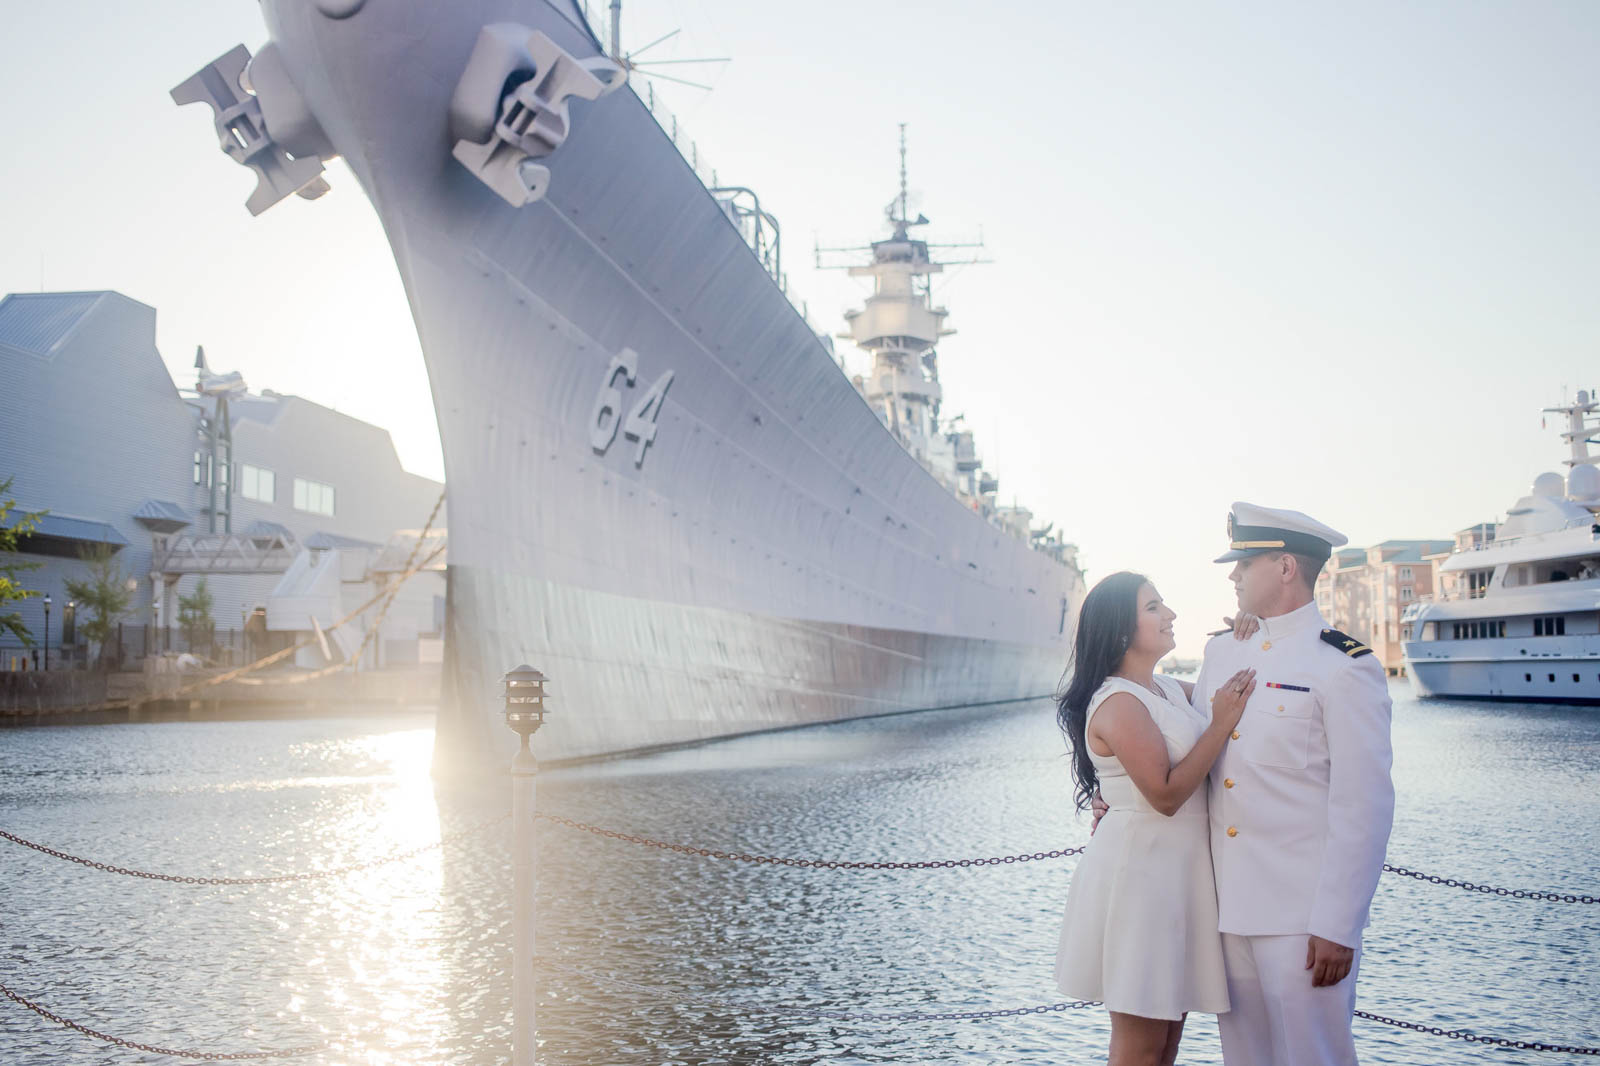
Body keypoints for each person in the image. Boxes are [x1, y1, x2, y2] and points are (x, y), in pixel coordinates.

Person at [1197, 502, 1395, 1066]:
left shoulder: (1343, 666)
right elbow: (1190, 745)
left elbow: (1364, 807)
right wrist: (1112, 790)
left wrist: (1338, 924)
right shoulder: (1221, 651)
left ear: (1285, 567)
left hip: (1301, 924)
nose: (1232, 574)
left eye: (1244, 562)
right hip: (1228, 911)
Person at [1054, 570, 1255, 1066]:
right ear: (1122, 630)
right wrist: (1222, 725)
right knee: (1141, 1045)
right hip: (1141, 879)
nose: (1170, 615)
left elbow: (1234, 688)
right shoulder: (1119, 701)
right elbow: (1164, 794)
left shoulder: (1164, 688)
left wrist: (1251, 634)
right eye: (1154, 607)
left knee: (1167, 1042)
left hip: (1178, 874)